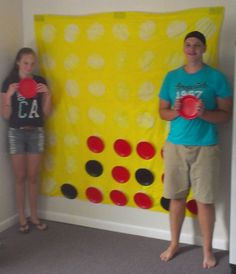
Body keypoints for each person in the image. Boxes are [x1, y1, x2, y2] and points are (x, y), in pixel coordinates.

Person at [158, 31, 232, 269]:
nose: (192, 49)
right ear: (183, 48)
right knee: (176, 197)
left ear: (204, 48)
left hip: (206, 147)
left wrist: (204, 113)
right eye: (188, 45)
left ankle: (208, 251)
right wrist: (177, 111)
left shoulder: (217, 78)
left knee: (204, 201)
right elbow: (162, 112)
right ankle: (174, 244)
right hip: (176, 145)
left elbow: (226, 116)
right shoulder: (171, 77)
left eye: (197, 45)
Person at [1, 47, 52, 233]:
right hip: (16, 134)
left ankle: (34, 215)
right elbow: (6, 115)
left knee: (32, 177)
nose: (29, 67)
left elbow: (45, 113)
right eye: (25, 63)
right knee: (20, 177)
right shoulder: (9, 83)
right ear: (18, 63)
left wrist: (47, 94)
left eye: (32, 63)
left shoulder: (40, 82)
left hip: (36, 133)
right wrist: (8, 96)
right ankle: (21, 216)